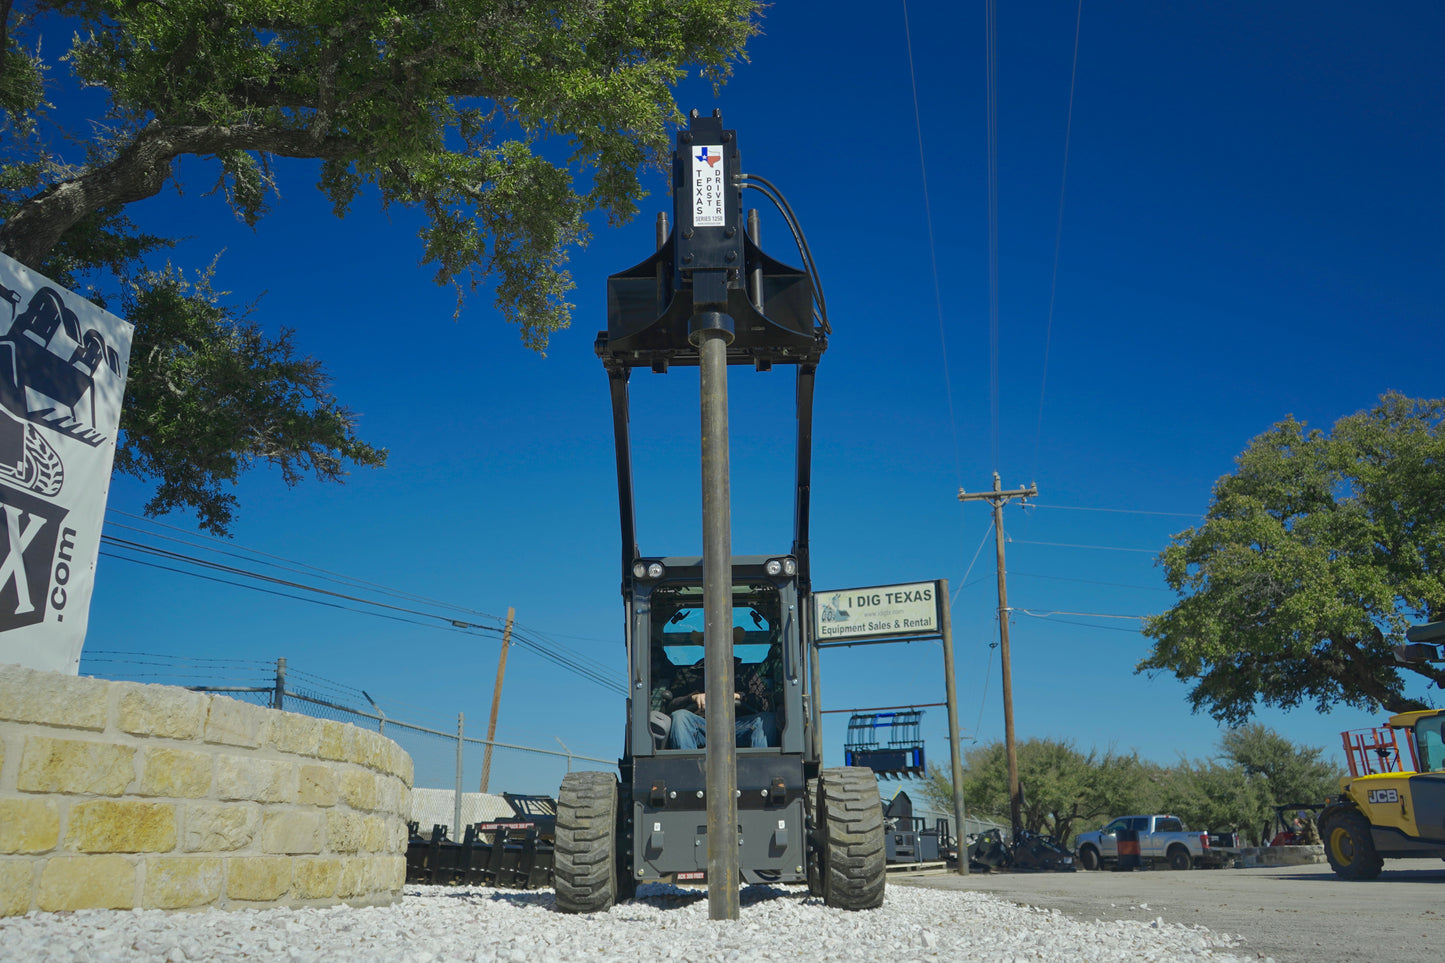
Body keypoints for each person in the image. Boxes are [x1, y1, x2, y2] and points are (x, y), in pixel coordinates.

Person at [665, 631, 780, 749]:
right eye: (711, 640)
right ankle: (687, 766)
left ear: (731, 643)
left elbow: (765, 705)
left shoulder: (747, 673)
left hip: (740, 727)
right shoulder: (687, 674)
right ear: (704, 643)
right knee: (680, 717)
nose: (718, 644)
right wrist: (692, 697)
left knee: (767, 719)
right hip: (700, 726)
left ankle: (761, 766)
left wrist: (740, 696)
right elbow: (671, 706)